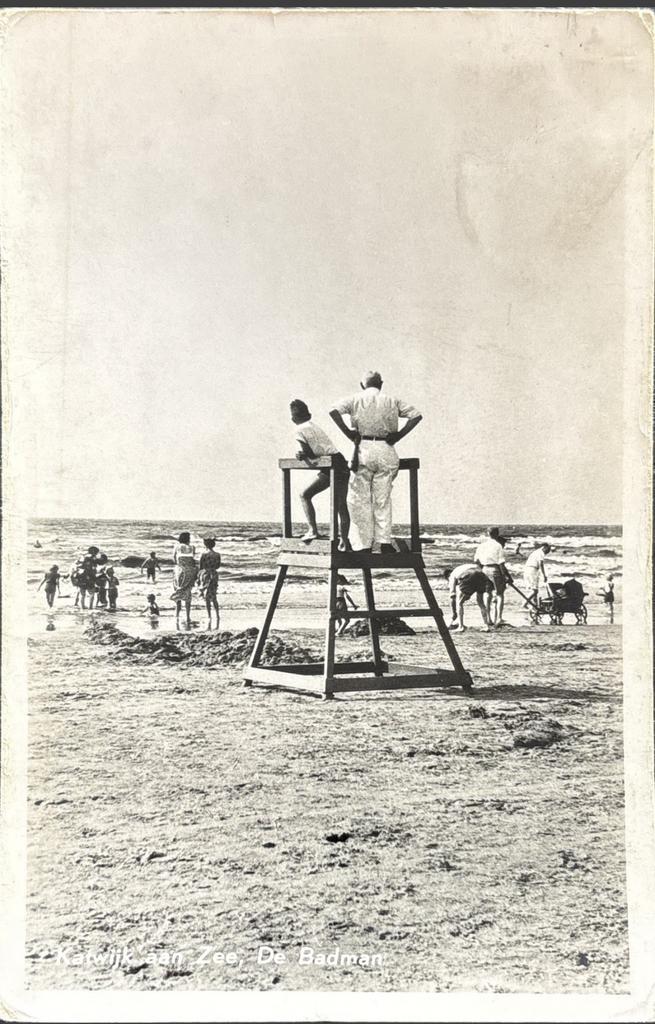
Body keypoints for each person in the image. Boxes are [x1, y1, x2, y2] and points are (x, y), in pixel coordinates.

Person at [329, 371, 422, 552]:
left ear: (362, 385)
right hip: (386, 448)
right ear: (381, 383)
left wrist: (348, 433)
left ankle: (363, 544)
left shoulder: (355, 399)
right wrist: (399, 435)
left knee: (359, 499)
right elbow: (416, 416)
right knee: (383, 499)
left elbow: (333, 411)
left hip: (362, 446)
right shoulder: (391, 400)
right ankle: (384, 542)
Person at [290, 400, 352, 549]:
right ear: (309, 414)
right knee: (341, 505)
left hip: (330, 466)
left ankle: (313, 530)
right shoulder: (315, 427)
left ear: (293, 419)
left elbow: (310, 453)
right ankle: (344, 540)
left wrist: (302, 455)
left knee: (304, 494)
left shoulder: (299, 430)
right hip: (340, 462)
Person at [474, 528, 513, 625]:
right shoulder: (498, 545)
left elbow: (476, 560)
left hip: (484, 569)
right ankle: (499, 618)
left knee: (488, 593)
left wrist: (482, 567)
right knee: (499, 594)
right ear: (497, 534)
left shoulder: (482, 545)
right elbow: (501, 563)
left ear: (488, 533)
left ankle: (488, 619)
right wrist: (505, 576)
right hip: (494, 569)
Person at [444, 564, 493, 632]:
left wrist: (454, 613)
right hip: (481, 574)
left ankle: (461, 627)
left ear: (448, 576)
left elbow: (452, 595)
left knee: (459, 602)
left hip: (469, 575)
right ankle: (486, 626)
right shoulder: (461, 568)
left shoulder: (452, 575)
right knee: (481, 602)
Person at [170, 531, 197, 628]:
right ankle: (188, 616)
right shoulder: (192, 547)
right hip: (190, 571)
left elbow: (174, 559)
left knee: (178, 591)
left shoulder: (177, 546)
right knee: (188, 593)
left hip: (179, 570)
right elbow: (192, 560)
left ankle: (177, 615)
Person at [198, 537, 221, 630]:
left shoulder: (204, 554)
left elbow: (201, 566)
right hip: (214, 574)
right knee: (214, 596)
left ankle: (209, 616)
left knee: (206, 597)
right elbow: (218, 566)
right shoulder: (217, 554)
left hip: (206, 574)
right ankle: (217, 615)